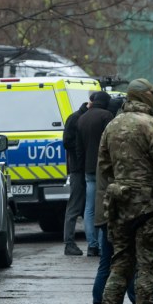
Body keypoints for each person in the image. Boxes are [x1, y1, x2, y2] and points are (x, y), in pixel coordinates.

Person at [98, 78, 153, 304]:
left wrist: (121, 183)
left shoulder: (112, 125)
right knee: (147, 265)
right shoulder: (151, 125)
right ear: (145, 97)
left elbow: (104, 165)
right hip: (147, 204)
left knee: (120, 263)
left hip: (118, 203)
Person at [77, 91, 114, 257]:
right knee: (103, 207)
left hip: (88, 168)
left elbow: (79, 148)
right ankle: (102, 244)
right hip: (104, 169)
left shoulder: (82, 118)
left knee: (89, 207)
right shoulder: (106, 116)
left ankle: (91, 245)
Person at [62, 97, 90, 256]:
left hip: (81, 168)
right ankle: (69, 243)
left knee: (85, 207)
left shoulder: (78, 117)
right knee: (74, 206)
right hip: (78, 169)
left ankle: (89, 242)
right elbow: (67, 142)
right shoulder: (75, 118)